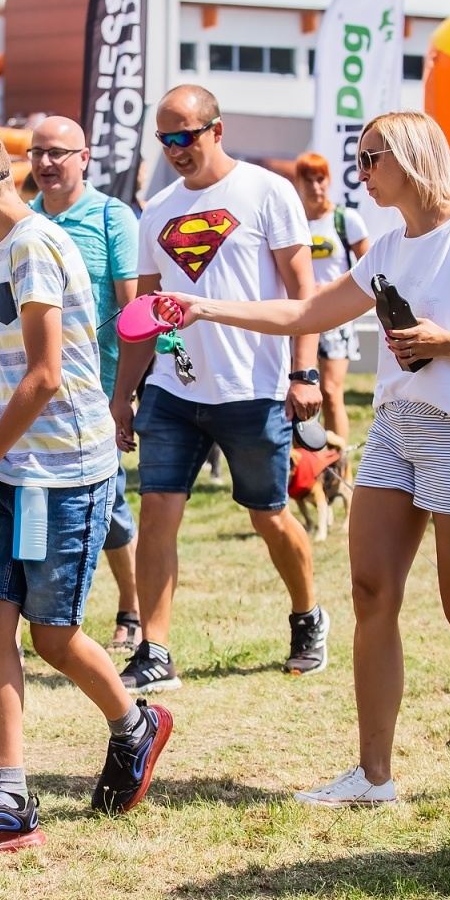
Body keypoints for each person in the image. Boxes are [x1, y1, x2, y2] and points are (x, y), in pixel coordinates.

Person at [165, 110, 450, 804]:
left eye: (371, 159)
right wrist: (203, 308)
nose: (361, 173)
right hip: (397, 428)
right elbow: (306, 314)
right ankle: (374, 777)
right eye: (360, 160)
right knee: (372, 595)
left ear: (409, 157)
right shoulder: (385, 247)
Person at [0, 125, 171, 858]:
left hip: (61, 474)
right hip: (6, 468)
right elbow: (8, 371)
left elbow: (45, 376)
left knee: (52, 635)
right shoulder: (8, 248)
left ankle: (135, 723)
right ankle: (8, 798)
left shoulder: (32, 246)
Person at [110, 85, 327, 695]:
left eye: (186, 136)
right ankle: (156, 651)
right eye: (165, 139)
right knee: (158, 515)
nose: (176, 149)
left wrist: (303, 373)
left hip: (252, 388)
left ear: (216, 130)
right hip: (173, 392)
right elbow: (144, 315)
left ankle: (308, 615)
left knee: (270, 516)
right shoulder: (158, 210)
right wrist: (125, 394)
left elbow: (302, 294)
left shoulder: (267, 192)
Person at [28, 115, 143, 652]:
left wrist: (128, 392)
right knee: (27, 501)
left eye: (58, 153)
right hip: (33, 392)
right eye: (38, 153)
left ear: (83, 157)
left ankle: (132, 606)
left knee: (110, 507)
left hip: (95, 393)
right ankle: (35, 613)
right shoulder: (23, 220)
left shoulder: (111, 217)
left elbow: (132, 309)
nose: (46, 163)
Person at [294, 151, 370, 443]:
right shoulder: (293, 220)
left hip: (337, 316)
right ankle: (304, 467)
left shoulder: (345, 219)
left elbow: (369, 265)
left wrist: (336, 291)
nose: (315, 186)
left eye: (321, 178)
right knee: (299, 387)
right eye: (309, 179)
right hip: (300, 315)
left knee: (330, 390)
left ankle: (337, 464)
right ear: (298, 182)